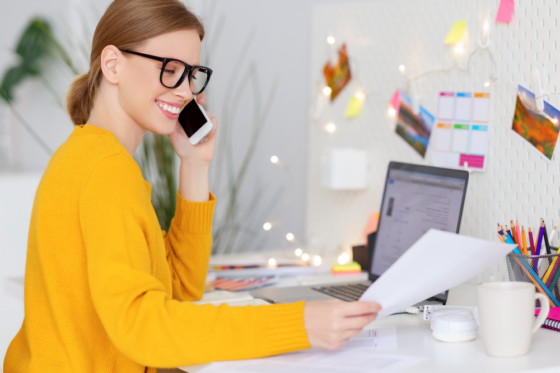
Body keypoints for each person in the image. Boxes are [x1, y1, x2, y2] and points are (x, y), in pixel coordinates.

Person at [3, 0, 381, 372]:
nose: (185, 90)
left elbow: (179, 287)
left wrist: (194, 165)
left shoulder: (90, 154)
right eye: (169, 70)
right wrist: (300, 324)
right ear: (113, 64)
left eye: (191, 74)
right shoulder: (105, 169)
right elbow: (143, 326)